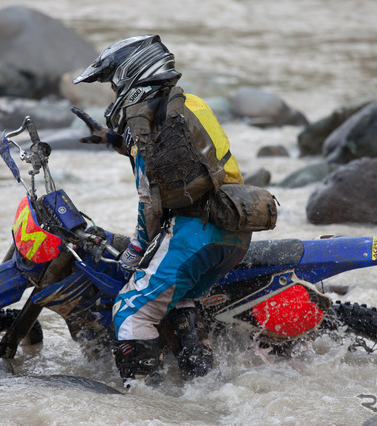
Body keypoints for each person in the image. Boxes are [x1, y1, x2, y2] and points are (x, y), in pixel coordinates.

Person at [71, 35, 252, 383]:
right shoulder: (188, 104)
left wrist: (136, 249)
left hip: (195, 232)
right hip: (234, 225)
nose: (113, 92)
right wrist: (113, 139)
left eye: (113, 84)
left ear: (130, 74)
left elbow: (149, 201)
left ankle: (144, 404)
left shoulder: (146, 120)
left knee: (130, 312)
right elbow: (187, 159)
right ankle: (199, 389)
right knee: (177, 302)